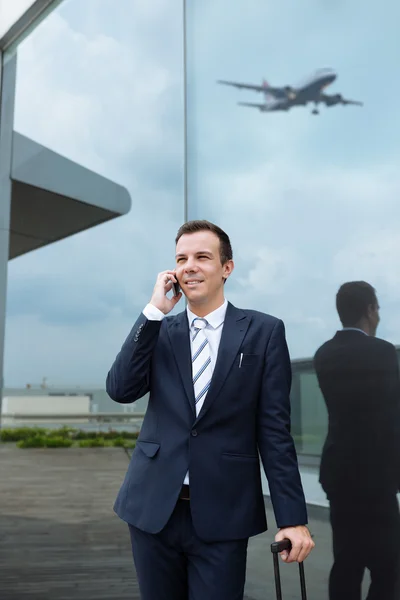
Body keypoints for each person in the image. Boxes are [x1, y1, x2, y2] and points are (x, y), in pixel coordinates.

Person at [106, 220, 314, 600]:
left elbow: (274, 432)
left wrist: (293, 519)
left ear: (227, 268)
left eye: (202, 256)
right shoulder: (160, 331)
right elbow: (120, 389)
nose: (190, 266)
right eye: (181, 258)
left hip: (224, 510)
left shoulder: (263, 332)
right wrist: (153, 310)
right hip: (152, 508)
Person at [314, 281, 400, 600]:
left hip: (340, 477)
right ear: (369, 310)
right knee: (388, 568)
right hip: (378, 480)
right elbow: (391, 418)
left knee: (347, 563)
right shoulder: (383, 352)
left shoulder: (324, 355)